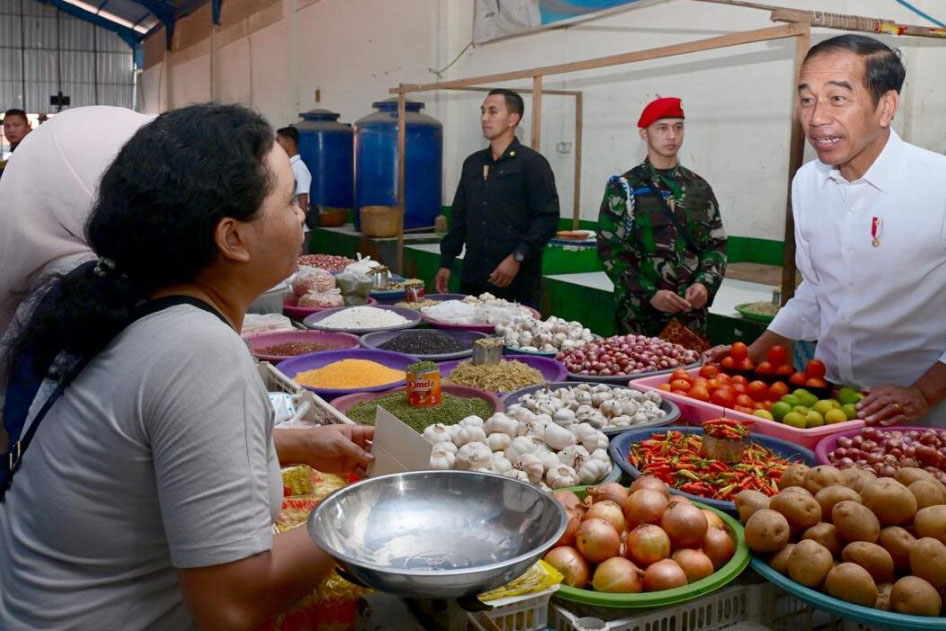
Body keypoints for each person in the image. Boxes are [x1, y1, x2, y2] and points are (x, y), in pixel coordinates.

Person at [0, 103, 372, 630]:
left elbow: (136, 451)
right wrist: (366, 512)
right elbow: (233, 604)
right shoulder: (197, 350)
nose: (301, 215)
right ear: (232, 238)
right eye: (289, 201)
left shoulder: (123, 305)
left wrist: (299, 446)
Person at [714, 34, 946, 427]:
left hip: (927, 412)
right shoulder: (808, 183)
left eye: (837, 98)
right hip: (831, 399)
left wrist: (923, 392)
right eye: (807, 99)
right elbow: (817, 290)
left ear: (886, 106)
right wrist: (751, 354)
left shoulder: (938, 184)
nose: (817, 117)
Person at [596, 97, 727, 337]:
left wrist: (704, 284)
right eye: (662, 128)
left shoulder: (699, 187)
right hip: (638, 319)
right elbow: (610, 251)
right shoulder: (625, 187)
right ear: (643, 134)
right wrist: (650, 293)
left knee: (689, 365)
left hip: (690, 319)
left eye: (678, 127)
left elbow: (715, 246)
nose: (672, 136)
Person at [435, 88, 559, 307]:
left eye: (493, 111)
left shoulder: (531, 164)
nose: (484, 118)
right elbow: (460, 217)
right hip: (474, 276)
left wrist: (517, 257)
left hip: (515, 280)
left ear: (513, 119)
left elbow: (547, 218)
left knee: (512, 329)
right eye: (483, 111)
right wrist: (446, 262)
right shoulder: (473, 164)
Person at [276, 126, 313, 253]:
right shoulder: (288, 166)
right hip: (289, 227)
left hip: (299, 229)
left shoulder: (299, 168)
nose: (276, 145)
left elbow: (303, 201)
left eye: (278, 140)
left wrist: (299, 229)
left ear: (289, 142)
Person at [0, 109, 32, 179]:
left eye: (16, 125)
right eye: (7, 126)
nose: (11, 130)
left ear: (28, 127)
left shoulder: (35, 152)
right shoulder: (15, 153)